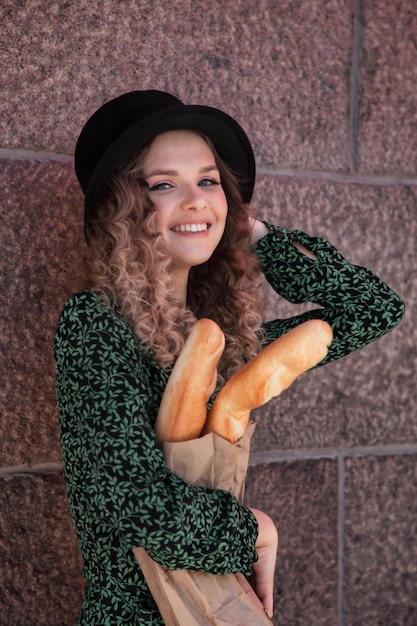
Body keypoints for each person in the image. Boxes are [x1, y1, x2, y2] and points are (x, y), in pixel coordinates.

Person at [54, 90, 405, 625]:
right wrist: (255, 532)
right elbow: (145, 508)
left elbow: (374, 308)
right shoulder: (95, 325)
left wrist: (253, 232)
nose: (196, 200)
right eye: (163, 184)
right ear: (121, 209)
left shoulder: (225, 340)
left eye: (209, 181)